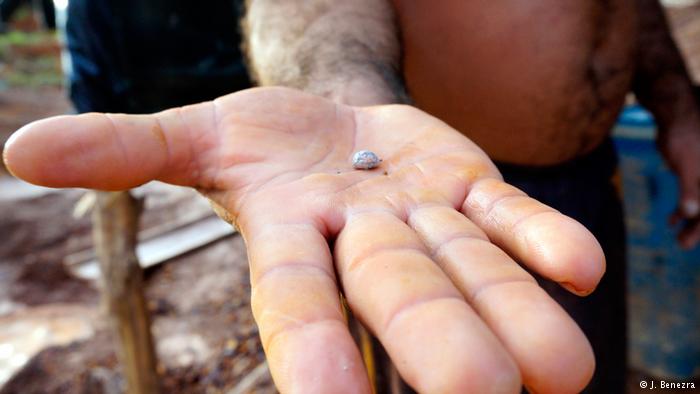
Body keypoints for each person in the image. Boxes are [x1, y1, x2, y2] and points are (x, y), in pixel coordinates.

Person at [2, 1, 699, 394]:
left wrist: (681, 111)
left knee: (581, 371)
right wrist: (345, 99)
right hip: (444, 204)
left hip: (582, 184)